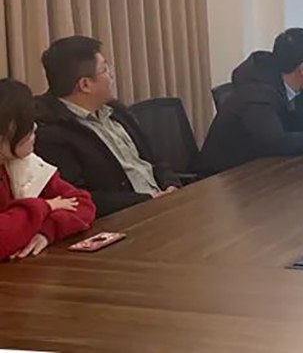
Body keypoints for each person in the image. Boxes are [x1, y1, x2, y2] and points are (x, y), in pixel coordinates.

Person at [35, 37, 180, 218]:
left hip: (164, 206)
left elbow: (154, 159)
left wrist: (171, 185)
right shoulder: (51, 133)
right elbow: (77, 198)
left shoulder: (115, 111)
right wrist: (147, 199)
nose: (111, 76)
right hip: (129, 219)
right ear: (85, 85)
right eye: (105, 69)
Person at [199, 28, 303, 175]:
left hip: (263, 171)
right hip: (221, 178)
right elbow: (275, 142)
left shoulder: (299, 87)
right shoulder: (257, 94)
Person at [1, 79, 95, 261]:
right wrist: (46, 206)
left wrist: (45, 232)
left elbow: (82, 204)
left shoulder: (23, 162)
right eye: (27, 123)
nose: (35, 127)